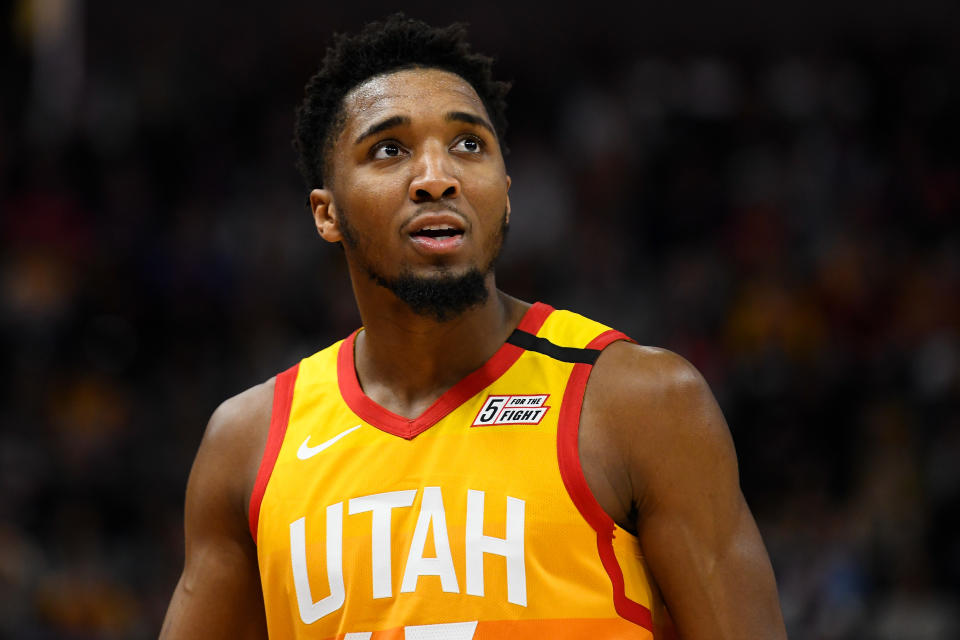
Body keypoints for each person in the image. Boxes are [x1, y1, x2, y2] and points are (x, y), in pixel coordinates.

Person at [160, 14, 787, 640]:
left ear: (507, 196)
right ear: (328, 214)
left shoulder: (642, 403)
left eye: (468, 144)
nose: (438, 177)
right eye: (389, 150)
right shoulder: (247, 445)